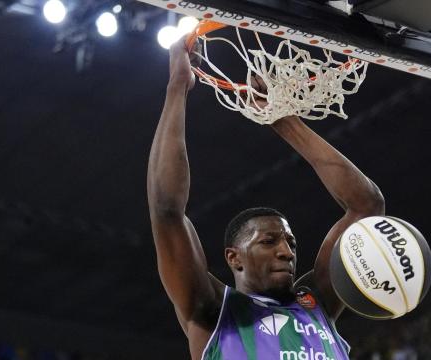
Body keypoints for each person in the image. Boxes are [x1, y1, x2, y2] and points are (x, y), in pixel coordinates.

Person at [147, 36, 385, 360]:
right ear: (234, 258)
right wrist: (177, 87)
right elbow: (166, 210)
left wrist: (283, 121)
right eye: (269, 241)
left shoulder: (317, 304)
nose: (287, 252)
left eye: (290, 242)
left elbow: (367, 207)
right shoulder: (214, 309)